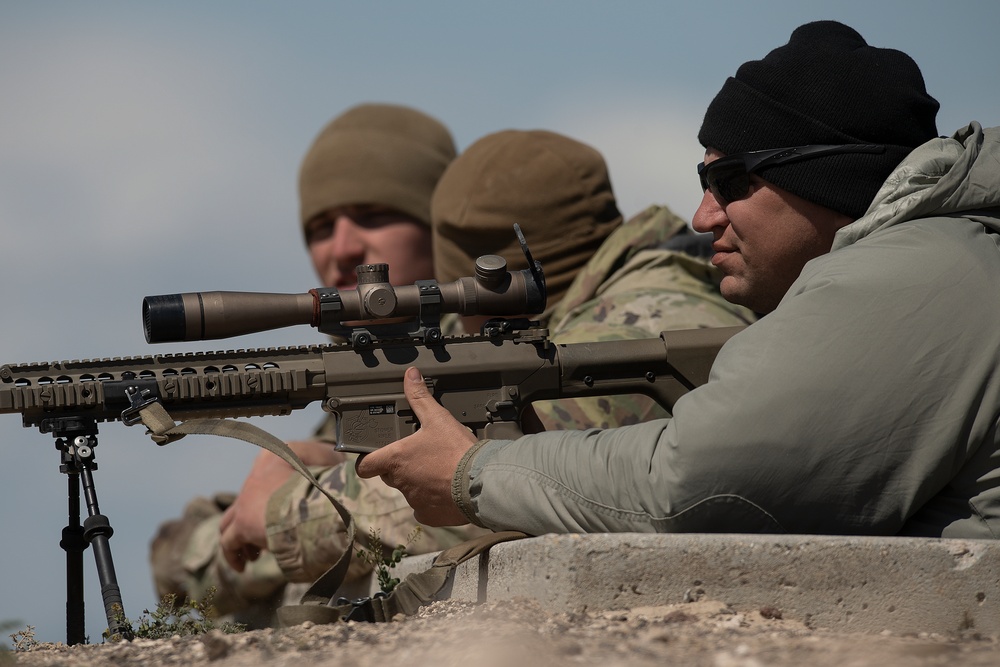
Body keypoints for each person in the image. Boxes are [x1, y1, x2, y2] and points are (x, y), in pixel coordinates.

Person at [356, 21, 1000, 540]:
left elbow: (693, 484)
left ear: (827, 177)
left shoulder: (911, 277)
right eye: (703, 183)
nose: (702, 216)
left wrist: (471, 473)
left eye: (730, 182)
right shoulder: (941, 260)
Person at [149, 102, 465, 625]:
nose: (342, 249)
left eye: (372, 216)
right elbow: (174, 565)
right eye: (320, 227)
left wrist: (285, 511)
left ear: (438, 225)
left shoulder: (479, 365)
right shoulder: (358, 376)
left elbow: (479, 493)